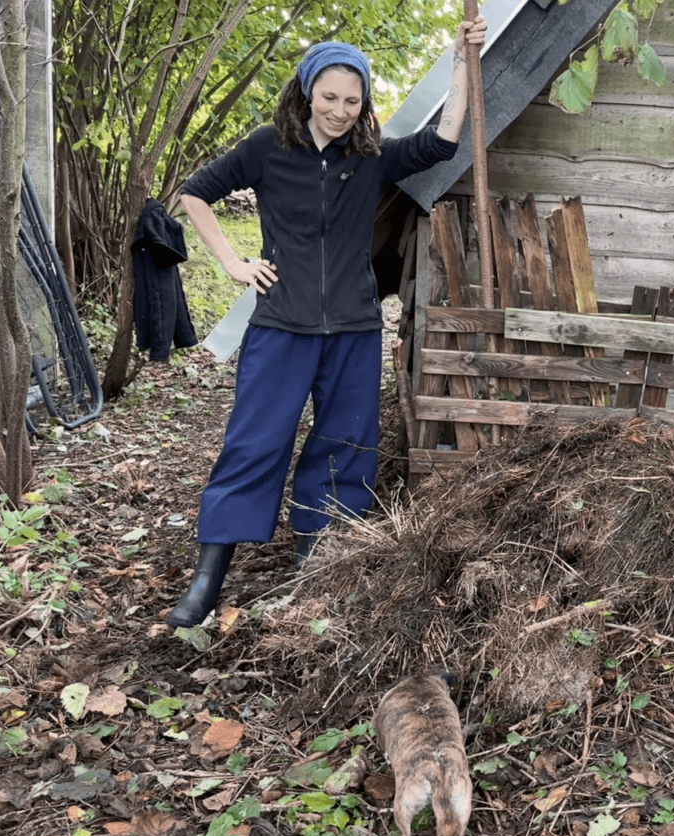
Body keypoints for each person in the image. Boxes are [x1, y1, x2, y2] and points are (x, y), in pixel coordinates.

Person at [166, 17, 487, 628]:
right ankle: (208, 578)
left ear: (364, 103)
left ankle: (315, 562)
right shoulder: (267, 147)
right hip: (280, 328)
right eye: (329, 96)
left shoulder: (370, 158)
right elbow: (195, 193)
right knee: (254, 443)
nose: (339, 111)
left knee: (343, 446)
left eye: (352, 99)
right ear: (307, 91)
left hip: (352, 330)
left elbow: (444, 139)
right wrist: (233, 262)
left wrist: (460, 62)